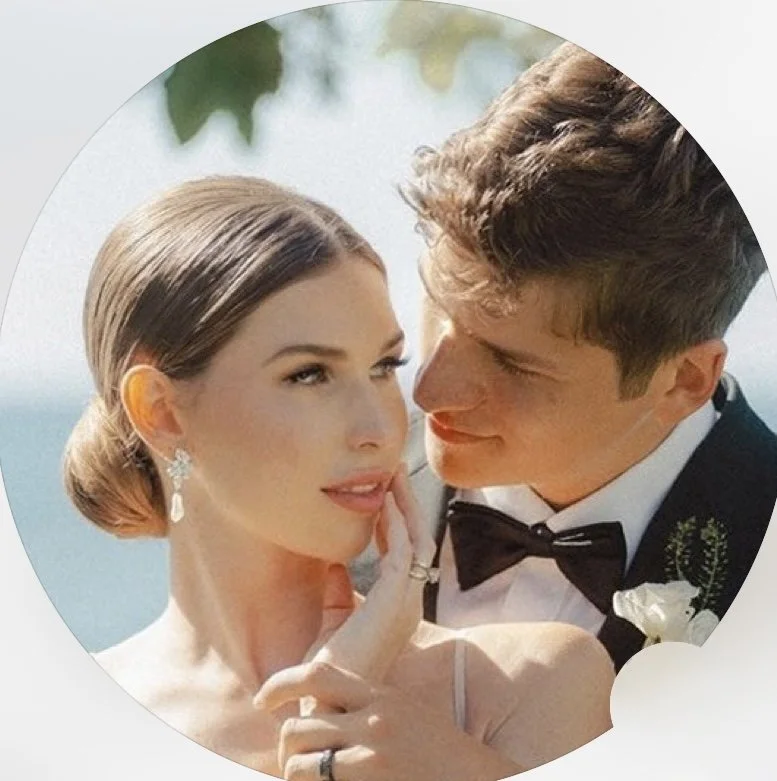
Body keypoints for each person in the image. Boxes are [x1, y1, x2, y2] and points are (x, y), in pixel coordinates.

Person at [63, 175, 613, 780]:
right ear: (160, 412)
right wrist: (339, 691)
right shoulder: (68, 720)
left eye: (384, 366)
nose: (380, 427)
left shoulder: (532, 684)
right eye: (309, 374)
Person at [400, 41, 777, 670]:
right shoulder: (326, 481)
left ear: (684, 380)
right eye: (438, 308)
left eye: (511, 362)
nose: (428, 390)